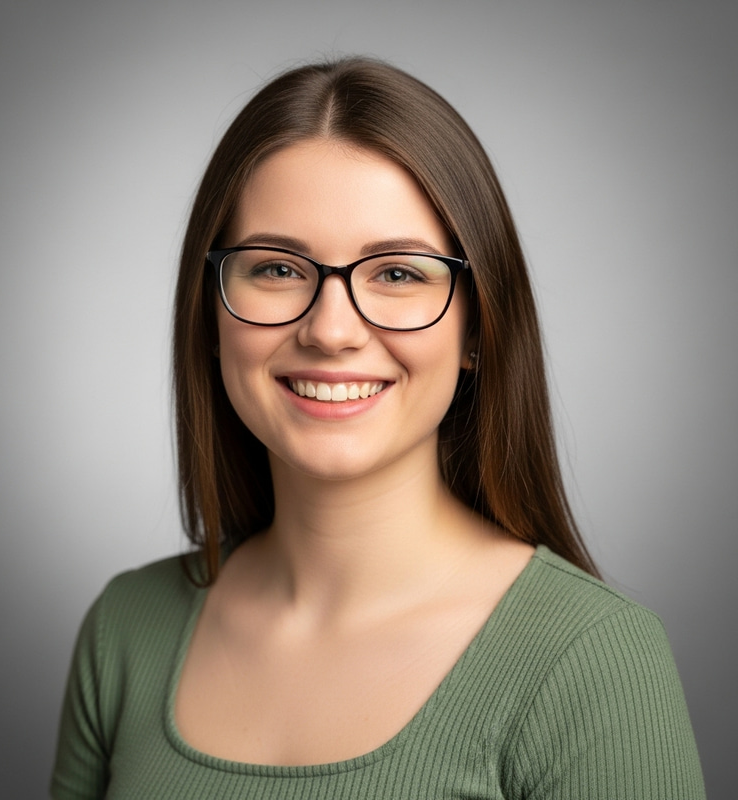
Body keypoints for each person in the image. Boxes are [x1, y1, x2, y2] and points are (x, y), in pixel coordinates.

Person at [51, 58, 706, 799]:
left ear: (477, 328)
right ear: (211, 313)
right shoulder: (123, 630)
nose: (331, 331)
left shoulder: (592, 658)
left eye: (397, 273)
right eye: (277, 269)